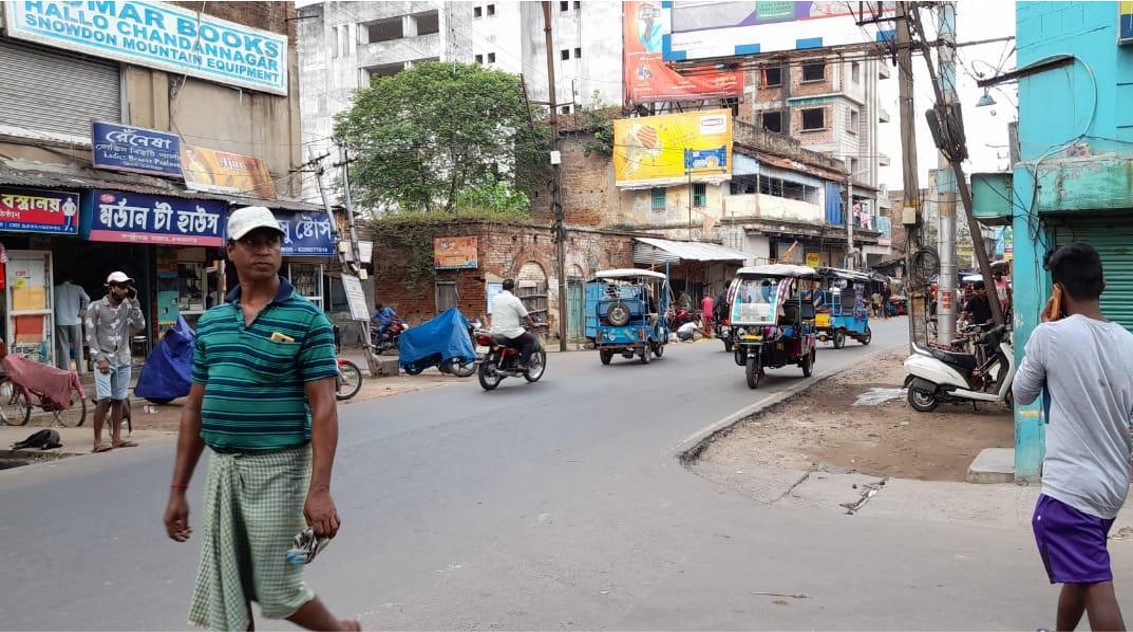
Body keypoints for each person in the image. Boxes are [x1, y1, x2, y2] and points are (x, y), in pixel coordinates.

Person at [162, 206, 359, 632]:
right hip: (224, 472)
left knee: (275, 586)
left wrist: (320, 490)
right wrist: (178, 489)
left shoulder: (308, 320)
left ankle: (340, 631)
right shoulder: (213, 324)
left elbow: (324, 407)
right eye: (252, 242)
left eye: (271, 241)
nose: (264, 250)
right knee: (228, 585)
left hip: (281, 471)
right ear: (230, 250)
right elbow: (195, 407)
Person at [1013, 243, 1133, 632]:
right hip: (1111, 488)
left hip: (1071, 492)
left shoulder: (1051, 337)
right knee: (1082, 571)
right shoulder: (1129, 343)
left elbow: (1021, 393)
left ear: (1058, 291)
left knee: (1096, 583)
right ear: (1104, 284)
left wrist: (1044, 331)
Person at [86, 271, 144, 453]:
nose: (125, 290)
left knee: (119, 399)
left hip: (123, 359)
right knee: (104, 399)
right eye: (121, 286)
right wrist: (99, 358)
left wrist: (135, 302)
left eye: (127, 286)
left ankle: (117, 438)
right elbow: (90, 335)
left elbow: (140, 325)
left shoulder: (128, 306)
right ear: (111, 288)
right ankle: (97, 441)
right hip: (104, 359)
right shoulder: (95, 307)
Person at [490, 278, 537, 371]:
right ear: (512, 289)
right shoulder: (514, 300)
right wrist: (533, 325)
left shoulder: (495, 298)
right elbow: (526, 316)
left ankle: (508, 361)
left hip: (496, 331)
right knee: (529, 340)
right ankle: (522, 364)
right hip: (510, 332)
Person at [53, 274, 90, 374]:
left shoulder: (55, 289)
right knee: (78, 345)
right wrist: (83, 309)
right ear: (71, 280)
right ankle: (80, 370)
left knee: (63, 345)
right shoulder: (77, 288)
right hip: (75, 320)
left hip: (61, 321)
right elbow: (87, 298)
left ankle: (66, 370)